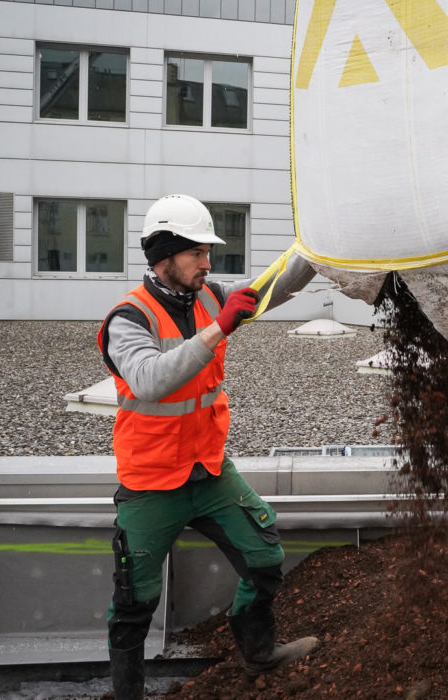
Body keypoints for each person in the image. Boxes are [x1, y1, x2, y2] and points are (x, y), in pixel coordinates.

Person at [99, 194, 318, 700]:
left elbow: (272, 289)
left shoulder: (209, 295)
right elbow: (150, 380)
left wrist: (319, 248)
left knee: (264, 560)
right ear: (166, 255)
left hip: (210, 470)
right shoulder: (128, 318)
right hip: (152, 482)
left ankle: (260, 655)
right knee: (134, 602)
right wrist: (219, 329)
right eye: (196, 252)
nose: (207, 262)